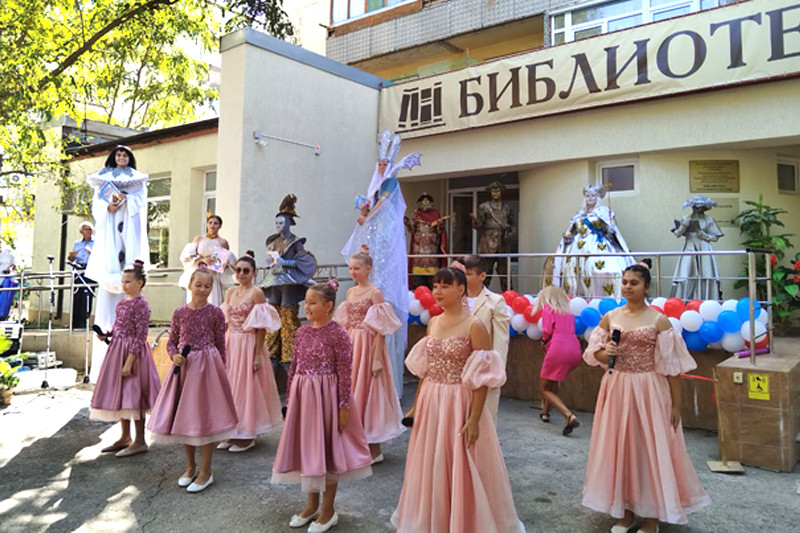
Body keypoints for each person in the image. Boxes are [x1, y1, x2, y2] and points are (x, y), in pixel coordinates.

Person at [392, 265, 524, 533]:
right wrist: (416, 406)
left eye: (445, 286)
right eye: (435, 286)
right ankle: (435, 520)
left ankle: (465, 521)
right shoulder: (433, 322)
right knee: (432, 461)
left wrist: (475, 419)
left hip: (460, 402)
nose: (437, 291)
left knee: (462, 462)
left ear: (461, 289)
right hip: (432, 399)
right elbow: (424, 371)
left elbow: (483, 378)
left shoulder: (475, 326)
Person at [582, 260, 710, 532]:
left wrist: (676, 405)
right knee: (620, 447)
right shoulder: (611, 317)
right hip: (616, 387)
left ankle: (651, 516)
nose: (628, 287)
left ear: (647, 286)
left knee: (649, 448)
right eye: (625, 282)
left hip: (650, 389)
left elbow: (672, 368)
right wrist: (607, 352)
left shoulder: (659, 320)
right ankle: (625, 511)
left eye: (634, 283)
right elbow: (595, 354)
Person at [272, 280, 372, 533]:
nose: (307, 307)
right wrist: (290, 400)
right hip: (304, 400)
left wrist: (343, 406)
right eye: (306, 302)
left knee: (327, 453)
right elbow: (294, 366)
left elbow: (344, 372)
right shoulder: (302, 332)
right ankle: (310, 504)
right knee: (308, 451)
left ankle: (328, 510)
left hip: (327, 400)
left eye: (312, 303)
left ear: (328, 306)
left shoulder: (338, 334)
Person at [341, 129, 420, 398]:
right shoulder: (375, 184)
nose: (383, 167)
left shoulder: (390, 183)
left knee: (382, 293)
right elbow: (370, 206)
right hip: (375, 236)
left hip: (385, 235)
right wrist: (363, 210)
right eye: (381, 163)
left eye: (386, 163)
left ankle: (385, 380)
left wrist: (368, 215)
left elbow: (383, 206)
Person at [147, 267, 238, 493]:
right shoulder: (180, 313)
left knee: (205, 418)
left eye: (207, 286)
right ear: (190, 285)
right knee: (185, 417)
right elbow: (172, 341)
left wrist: (222, 370)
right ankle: (190, 466)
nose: (203, 290)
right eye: (199, 285)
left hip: (207, 369)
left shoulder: (216, 313)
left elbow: (220, 344)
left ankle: (206, 471)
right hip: (185, 368)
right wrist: (174, 355)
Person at [333, 245, 404, 464]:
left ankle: (374, 448)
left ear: (368, 269)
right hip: (352, 342)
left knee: (368, 391)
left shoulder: (375, 293)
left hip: (369, 343)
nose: (353, 272)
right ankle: (356, 441)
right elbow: (343, 324)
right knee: (353, 390)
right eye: (351, 269)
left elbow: (381, 327)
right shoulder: (350, 292)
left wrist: (375, 359)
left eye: (357, 268)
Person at [85, 145, 150, 383]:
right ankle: (104, 365)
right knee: (109, 283)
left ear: (129, 158)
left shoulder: (136, 178)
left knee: (127, 260)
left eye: (125, 155)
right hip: (111, 225)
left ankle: (129, 362)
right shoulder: (104, 177)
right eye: (118, 155)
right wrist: (108, 207)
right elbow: (97, 204)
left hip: (127, 225)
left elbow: (140, 201)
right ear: (114, 157)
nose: (121, 158)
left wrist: (126, 201)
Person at [89, 260, 160, 458]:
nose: (124, 285)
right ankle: (125, 436)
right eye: (122, 281)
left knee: (133, 396)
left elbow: (140, 334)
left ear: (140, 283)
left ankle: (140, 440)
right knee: (122, 394)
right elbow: (120, 326)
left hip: (133, 354)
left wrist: (129, 361)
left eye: (128, 281)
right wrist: (107, 334)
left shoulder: (142, 305)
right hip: (117, 349)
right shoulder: (122, 303)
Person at [218, 252, 282, 453]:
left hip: (248, 343)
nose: (241, 273)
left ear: (253, 272)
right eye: (238, 270)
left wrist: (256, 355)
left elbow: (261, 327)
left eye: (246, 270)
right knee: (230, 388)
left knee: (246, 388)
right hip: (232, 343)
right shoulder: (230, 293)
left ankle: (247, 435)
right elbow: (226, 323)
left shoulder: (257, 293)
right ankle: (232, 431)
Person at [263, 194, 317, 373]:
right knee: (272, 312)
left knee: (287, 316)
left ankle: (289, 356)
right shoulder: (273, 241)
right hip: (274, 280)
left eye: (281, 223)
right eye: (276, 223)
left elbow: (303, 260)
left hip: (288, 281)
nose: (278, 226)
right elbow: (268, 260)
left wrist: (286, 263)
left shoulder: (295, 242)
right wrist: (270, 262)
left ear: (287, 223)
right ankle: (271, 352)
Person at [550, 184, 634, 298]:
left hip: (597, 245)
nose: (590, 198)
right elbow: (572, 230)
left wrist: (609, 226)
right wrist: (568, 235)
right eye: (588, 195)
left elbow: (612, 230)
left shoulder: (604, 212)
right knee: (574, 272)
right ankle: (577, 296)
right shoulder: (579, 215)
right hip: (577, 248)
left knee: (602, 269)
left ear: (598, 198)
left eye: (593, 196)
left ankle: (601, 296)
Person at [462, 254, 511, 423]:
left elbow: (501, 339)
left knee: (485, 420)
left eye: (469, 274)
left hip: (483, 368)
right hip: (458, 367)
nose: (465, 278)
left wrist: (496, 370)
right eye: (463, 273)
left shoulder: (495, 302)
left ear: (482, 276)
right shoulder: (456, 299)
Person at [534, 286, 582, 435]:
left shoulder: (548, 309)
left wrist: (543, 341)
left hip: (557, 347)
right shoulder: (568, 313)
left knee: (544, 388)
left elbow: (547, 330)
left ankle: (568, 415)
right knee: (554, 381)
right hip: (574, 348)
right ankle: (545, 413)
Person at [670, 195, 724, 300]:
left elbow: (716, 237)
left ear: (704, 207)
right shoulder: (686, 218)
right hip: (690, 248)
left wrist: (703, 234)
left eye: (698, 207)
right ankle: (685, 300)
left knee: (706, 273)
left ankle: (706, 299)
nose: (695, 209)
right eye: (694, 206)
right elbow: (677, 234)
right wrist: (683, 227)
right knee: (686, 273)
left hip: (704, 248)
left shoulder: (709, 220)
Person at [179, 215, 236, 306]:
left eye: (215, 223)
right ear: (207, 224)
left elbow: (227, 260)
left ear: (220, 226)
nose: (212, 225)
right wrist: (202, 260)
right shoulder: (199, 239)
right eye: (210, 223)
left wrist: (223, 265)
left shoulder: (223, 242)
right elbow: (188, 256)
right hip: (198, 272)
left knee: (212, 299)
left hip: (213, 274)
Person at [470, 181, 515, 292]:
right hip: (488, 241)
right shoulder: (484, 207)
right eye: (493, 191)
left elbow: (514, 224)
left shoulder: (507, 208)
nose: (495, 193)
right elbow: (479, 225)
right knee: (486, 271)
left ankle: (509, 295)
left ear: (501, 192)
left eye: (498, 191)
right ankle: (481, 294)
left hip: (503, 242)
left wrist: (511, 234)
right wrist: (475, 221)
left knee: (505, 273)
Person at [404, 193, 448, 288]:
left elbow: (440, 232)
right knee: (418, 283)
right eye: (423, 201)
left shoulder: (435, 214)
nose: (425, 203)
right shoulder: (416, 215)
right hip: (418, 252)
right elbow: (412, 230)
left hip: (431, 250)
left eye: (427, 201)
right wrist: (407, 223)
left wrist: (440, 224)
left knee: (432, 282)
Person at [69, 221, 95, 328]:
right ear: (81, 231)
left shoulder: (96, 242)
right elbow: (70, 259)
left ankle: (84, 322)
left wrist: (91, 253)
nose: (88, 231)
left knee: (87, 295)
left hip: (90, 270)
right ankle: (74, 323)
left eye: (90, 229)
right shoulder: (77, 243)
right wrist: (71, 256)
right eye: (86, 229)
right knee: (77, 295)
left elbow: (101, 257)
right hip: (79, 270)